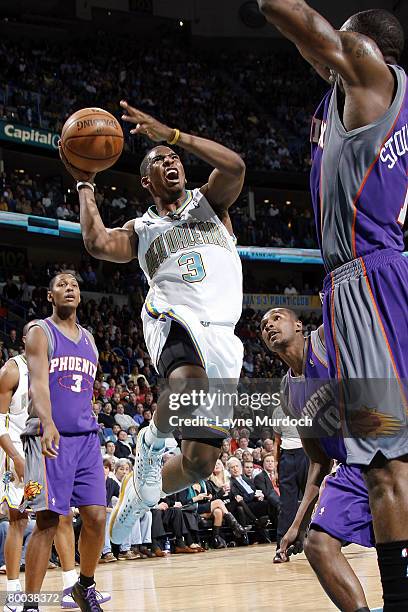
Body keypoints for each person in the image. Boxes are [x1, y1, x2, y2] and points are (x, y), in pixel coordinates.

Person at [258, 3, 408, 609]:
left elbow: (288, 14)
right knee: (387, 457)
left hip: (366, 286)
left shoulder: (370, 76)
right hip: (370, 284)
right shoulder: (353, 98)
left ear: (365, 46)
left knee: (385, 462)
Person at [59, 99, 245, 544]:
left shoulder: (211, 203)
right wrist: (86, 183)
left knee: (200, 462)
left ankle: (143, 494)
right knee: (188, 383)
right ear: (147, 180)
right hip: (173, 315)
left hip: (222, 331)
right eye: (161, 160)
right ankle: (153, 440)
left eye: (174, 158)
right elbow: (97, 242)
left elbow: (236, 166)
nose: (171, 161)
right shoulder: (141, 229)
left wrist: (173, 136)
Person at [261, 308, 375, 610]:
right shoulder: (287, 393)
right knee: (318, 545)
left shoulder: (324, 341)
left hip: (384, 453)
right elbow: (319, 461)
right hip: (350, 468)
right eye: (263, 325)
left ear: (299, 325)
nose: (269, 325)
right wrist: (296, 525)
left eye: (276, 317)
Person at [0, 323, 110, 612]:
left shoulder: (64, 361)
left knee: (66, 517)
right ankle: (15, 593)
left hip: (58, 441)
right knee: (21, 518)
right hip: (22, 448)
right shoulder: (12, 370)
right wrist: (14, 455)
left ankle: (70, 584)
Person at [21, 273, 107, 612]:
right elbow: (38, 384)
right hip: (46, 438)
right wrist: (48, 421)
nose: (69, 287)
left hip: (86, 439)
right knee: (46, 521)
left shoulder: (89, 340)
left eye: (74, 284)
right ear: (49, 296)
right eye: (61, 284)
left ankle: (84, 586)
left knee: (97, 517)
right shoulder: (40, 332)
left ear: (80, 296)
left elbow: (83, 391)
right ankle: (29, 604)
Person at [272, 395, 309, 563]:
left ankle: (312, 541)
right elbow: (276, 441)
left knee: (312, 502)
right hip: (287, 457)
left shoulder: (306, 406)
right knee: (286, 506)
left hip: (306, 453)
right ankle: (281, 549)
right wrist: (276, 468)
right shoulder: (277, 411)